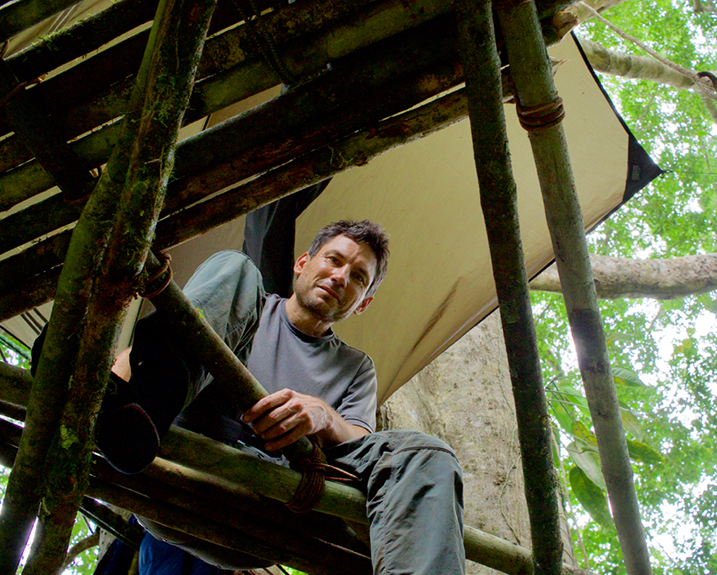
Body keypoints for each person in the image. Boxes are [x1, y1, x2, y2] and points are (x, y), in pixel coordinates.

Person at [90, 220, 465, 574]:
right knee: (237, 265)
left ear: (362, 303)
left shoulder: (356, 368)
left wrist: (325, 416)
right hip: (185, 459)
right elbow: (128, 362)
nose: (340, 277)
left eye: (358, 277)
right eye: (334, 260)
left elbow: (363, 450)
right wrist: (113, 389)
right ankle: (143, 416)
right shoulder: (246, 300)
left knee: (429, 456)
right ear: (303, 263)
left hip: (272, 507)